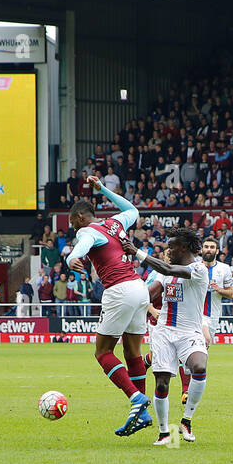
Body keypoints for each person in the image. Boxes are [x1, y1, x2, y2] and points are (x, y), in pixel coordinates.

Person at [65, 176, 153, 436]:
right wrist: (102, 189)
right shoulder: (115, 223)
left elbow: (82, 245)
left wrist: (72, 257)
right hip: (140, 287)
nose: (73, 228)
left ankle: (136, 398)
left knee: (103, 352)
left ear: (81, 218)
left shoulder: (87, 230)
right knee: (133, 353)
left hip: (119, 290)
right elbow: (133, 210)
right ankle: (142, 412)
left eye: (72, 223)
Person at [129, 227, 208, 446]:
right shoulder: (166, 273)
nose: (168, 250)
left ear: (183, 247)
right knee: (162, 383)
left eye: (171, 247)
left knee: (199, 366)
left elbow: (169, 268)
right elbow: (149, 293)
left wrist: (138, 253)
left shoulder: (199, 269)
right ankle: (164, 432)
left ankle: (186, 421)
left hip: (189, 331)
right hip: (164, 331)